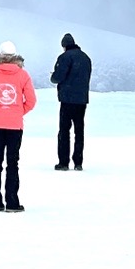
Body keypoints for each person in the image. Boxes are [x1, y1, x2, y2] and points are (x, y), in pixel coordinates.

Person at [0, 41, 36, 211]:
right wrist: (17, 113)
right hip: (15, 126)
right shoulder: (23, 75)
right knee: (13, 163)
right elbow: (31, 101)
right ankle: (12, 202)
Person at [51, 33, 92, 172]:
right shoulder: (86, 58)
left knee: (64, 130)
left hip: (67, 99)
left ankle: (63, 162)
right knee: (79, 131)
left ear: (64, 46)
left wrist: (53, 76)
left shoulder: (64, 57)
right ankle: (78, 162)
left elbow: (57, 77)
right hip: (81, 100)